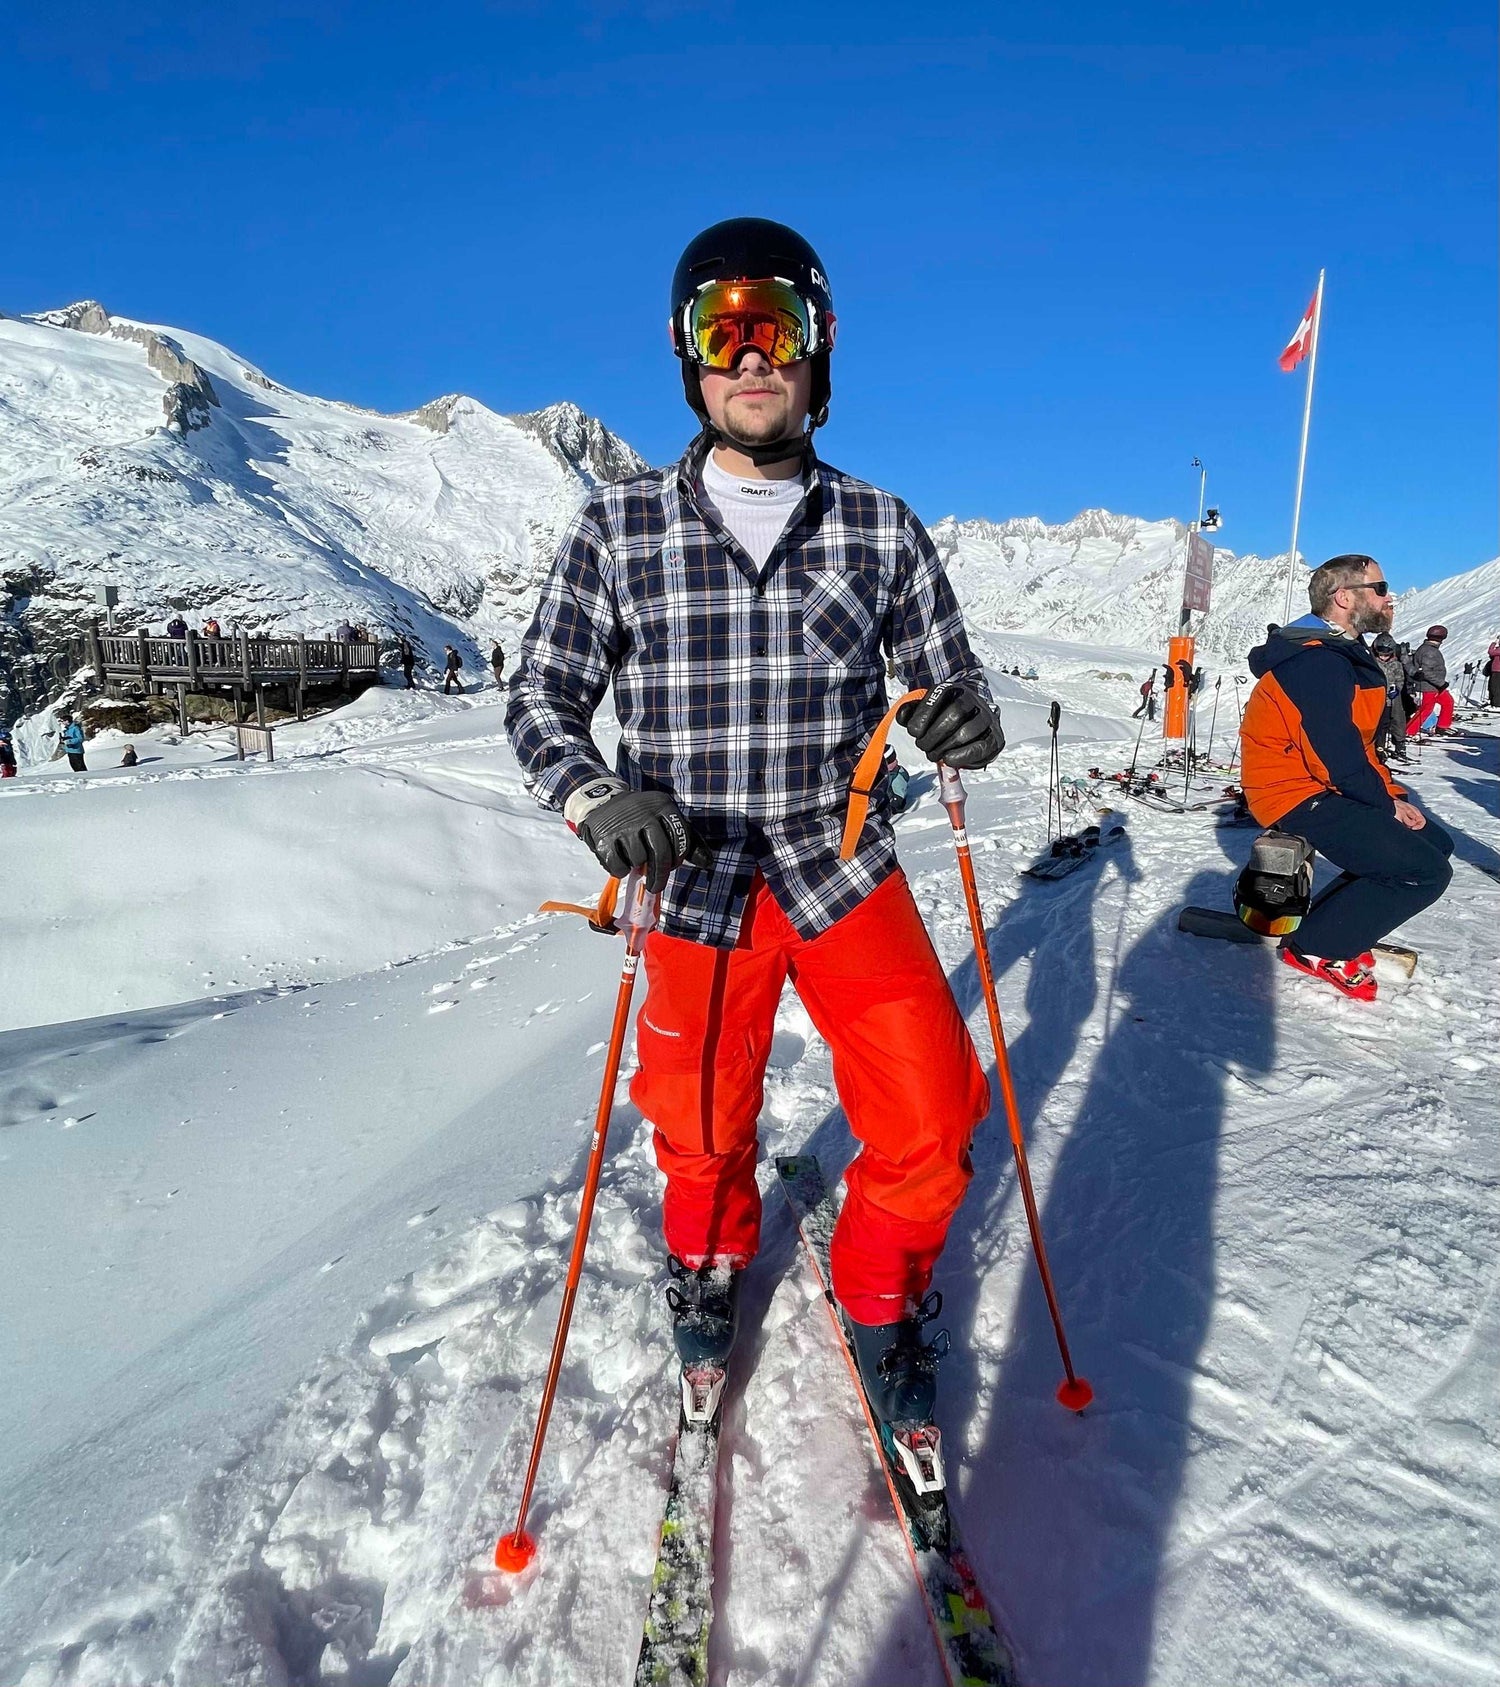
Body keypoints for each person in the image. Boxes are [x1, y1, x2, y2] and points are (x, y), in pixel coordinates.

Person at [506, 218, 1004, 1437]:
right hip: (691, 877)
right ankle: (711, 1257)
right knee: (698, 1120)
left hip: (838, 866)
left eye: (773, 326)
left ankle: (881, 1286)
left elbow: (951, 685)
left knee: (936, 1117)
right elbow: (540, 698)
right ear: (688, 360)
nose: (748, 356)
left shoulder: (881, 527)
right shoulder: (616, 527)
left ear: (818, 351)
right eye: (716, 332)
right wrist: (592, 797)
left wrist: (958, 723)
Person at [1240, 554, 1452, 1001]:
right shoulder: (1316, 662)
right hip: (1291, 792)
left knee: (1436, 844)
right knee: (1424, 871)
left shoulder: (1341, 654)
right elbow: (1333, 757)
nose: (1389, 597)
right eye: (1380, 588)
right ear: (1344, 598)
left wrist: (1390, 793)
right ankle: (1319, 947)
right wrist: (1385, 805)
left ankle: (1334, 925)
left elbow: (1358, 746)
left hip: (1319, 782)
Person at [1406, 624, 1454, 736]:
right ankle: (1409, 731)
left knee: (1448, 702)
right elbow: (1427, 672)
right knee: (1426, 709)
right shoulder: (1430, 651)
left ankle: (1442, 726)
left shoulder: (1429, 649)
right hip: (1429, 686)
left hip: (1434, 686)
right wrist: (1441, 683)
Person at [1369, 631, 1409, 762]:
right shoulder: (1372, 662)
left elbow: (1400, 679)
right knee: (1381, 723)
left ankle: (1400, 744)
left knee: (1397, 719)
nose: (1383, 657)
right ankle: (1379, 747)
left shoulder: (1396, 664)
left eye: (1386, 655)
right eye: (1381, 654)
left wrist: (1397, 689)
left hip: (1392, 699)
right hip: (1377, 697)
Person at [882, 745, 911, 814]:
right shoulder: (889, 772)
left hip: (892, 803)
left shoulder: (897, 780)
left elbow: (899, 799)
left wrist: (890, 808)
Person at [1487, 636, 1500, 709]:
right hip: (1495, 671)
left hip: (1498, 671)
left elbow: (1491, 652)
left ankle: (1497, 704)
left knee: (1496, 688)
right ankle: (1493, 702)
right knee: (1492, 687)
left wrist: (1494, 643)